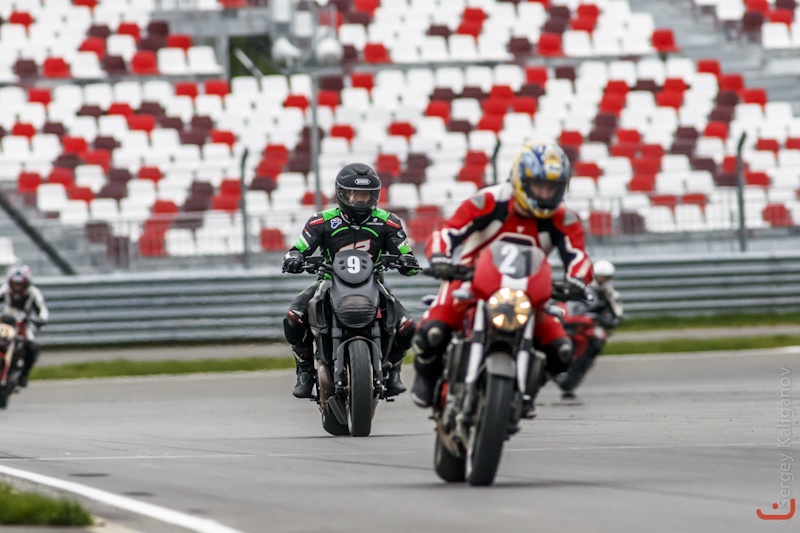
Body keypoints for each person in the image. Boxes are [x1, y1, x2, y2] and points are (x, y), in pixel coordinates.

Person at [410, 141, 593, 412]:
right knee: (432, 332)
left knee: (561, 352)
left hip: (527, 289)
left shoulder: (564, 218)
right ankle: (427, 376)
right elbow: (447, 232)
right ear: (521, 180)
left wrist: (577, 280)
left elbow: (579, 257)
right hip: (469, 280)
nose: (545, 193)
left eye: (552, 187)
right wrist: (440, 257)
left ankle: (526, 388)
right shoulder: (488, 200)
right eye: (538, 185)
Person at [282, 163, 420, 399]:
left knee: (407, 325)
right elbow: (297, 249)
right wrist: (294, 258)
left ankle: (393, 369)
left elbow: (406, 255)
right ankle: (304, 369)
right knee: (294, 316)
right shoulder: (320, 221)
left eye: (365, 195)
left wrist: (407, 261)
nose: (360, 200)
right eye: (354, 194)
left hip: (373, 283)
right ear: (342, 194)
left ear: (374, 195)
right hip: (328, 281)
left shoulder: (389, 222)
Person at [554, 259, 623, 400]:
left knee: (597, 340)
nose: (602, 280)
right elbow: (562, 302)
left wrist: (601, 320)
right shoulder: (580, 288)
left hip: (591, 327)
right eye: (600, 276)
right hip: (571, 323)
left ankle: (575, 374)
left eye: (605, 277)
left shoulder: (611, 295)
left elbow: (617, 317)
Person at [0, 265, 49, 388]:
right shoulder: (4, 290)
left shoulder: (33, 293)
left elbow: (42, 310)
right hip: (6, 324)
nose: (17, 287)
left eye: (20, 284)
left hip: (24, 326)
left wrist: (41, 319)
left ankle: (24, 375)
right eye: (15, 284)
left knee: (32, 348)